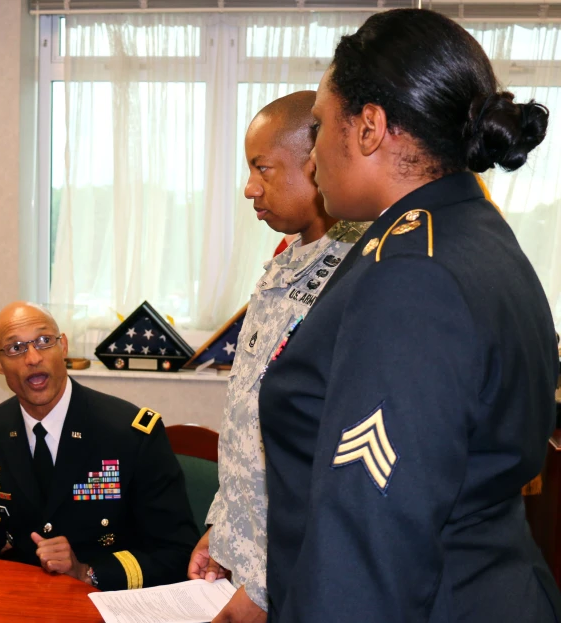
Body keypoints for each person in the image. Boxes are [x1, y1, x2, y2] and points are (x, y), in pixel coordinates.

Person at [258, 9, 561, 622]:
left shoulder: (410, 274)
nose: (312, 153)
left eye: (318, 126)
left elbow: (370, 534)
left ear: (368, 128)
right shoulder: (473, 229)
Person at [187, 91, 367, 623]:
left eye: (262, 168)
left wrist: (263, 588)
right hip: (250, 560)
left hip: (298, 575)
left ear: (314, 165)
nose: (250, 187)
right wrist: (224, 529)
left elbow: (329, 455)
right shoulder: (287, 257)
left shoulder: (357, 270)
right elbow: (249, 418)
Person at [0, 302, 199, 591]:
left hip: (108, 602)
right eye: (15, 348)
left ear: (63, 346)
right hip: (21, 601)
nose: (33, 358)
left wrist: (88, 572)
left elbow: (177, 552)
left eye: (43, 341)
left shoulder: (130, 434)